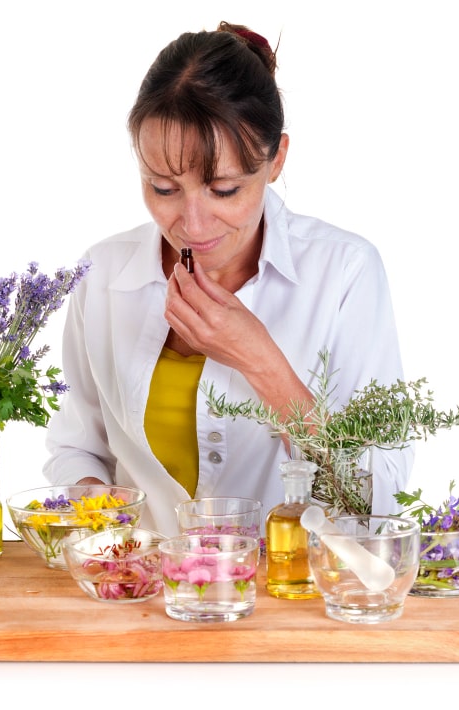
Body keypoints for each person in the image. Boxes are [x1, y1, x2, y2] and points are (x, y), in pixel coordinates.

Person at [42, 22, 412, 535]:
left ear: (276, 160)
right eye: (163, 189)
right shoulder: (103, 275)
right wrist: (95, 505)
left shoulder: (345, 273)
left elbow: (378, 499)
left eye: (224, 190)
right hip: (144, 581)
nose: (192, 227)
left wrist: (259, 359)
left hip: (286, 580)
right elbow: (77, 446)